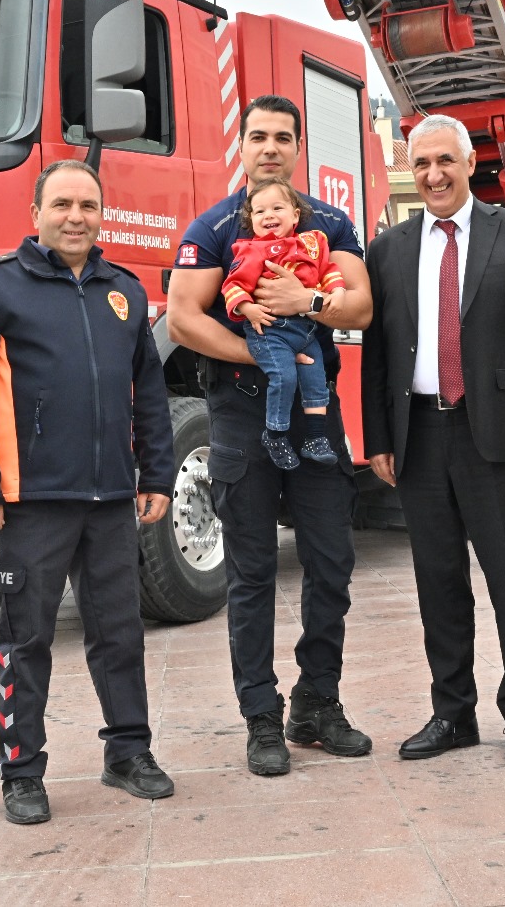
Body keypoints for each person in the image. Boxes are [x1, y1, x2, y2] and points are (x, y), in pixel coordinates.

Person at [0, 159, 177, 826]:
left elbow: (149, 393)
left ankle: (128, 752)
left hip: (110, 499)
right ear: (36, 215)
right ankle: (21, 769)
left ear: (102, 215)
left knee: (120, 633)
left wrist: (156, 474)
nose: (76, 217)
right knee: (27, 638)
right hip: (30, 501)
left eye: (88, 206)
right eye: (62, 205)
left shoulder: (124, 291)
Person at [167, 94, 374, 777]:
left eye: (283, 137)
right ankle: (261, 716)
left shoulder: (330, 225)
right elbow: (183, 317)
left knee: (332, 564)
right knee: (252, 574)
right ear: (243, 145)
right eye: (258, 136)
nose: (270, 149)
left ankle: (317, 703)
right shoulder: (214, 226)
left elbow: (360, 306)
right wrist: (262, 355)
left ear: (298, 146)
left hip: (314, 417)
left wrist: (307, 303)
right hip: (240, 416)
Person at [361, 114, 505, 767]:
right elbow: (377, 351)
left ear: (469, 164)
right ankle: (453, 714)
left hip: (495, 434)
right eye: (421, 164)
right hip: (419, 436)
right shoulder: (388, 249)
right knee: (439, 583)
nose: (433, 175)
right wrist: (378, 437)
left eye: (445, 160)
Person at [222, 178, 348, 470]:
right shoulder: (251, 251)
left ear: (295, 215)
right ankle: (275, 435)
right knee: (285, 377)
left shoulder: (312, 244)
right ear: (251, 221)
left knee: (316, 380)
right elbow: (233, 286)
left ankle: (315, 438)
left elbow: (328, 270)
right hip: (269, 332)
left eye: (277, 208)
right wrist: (248, 309)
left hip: (306, 331)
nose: (269, 215)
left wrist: (338, 291)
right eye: (260, 211)